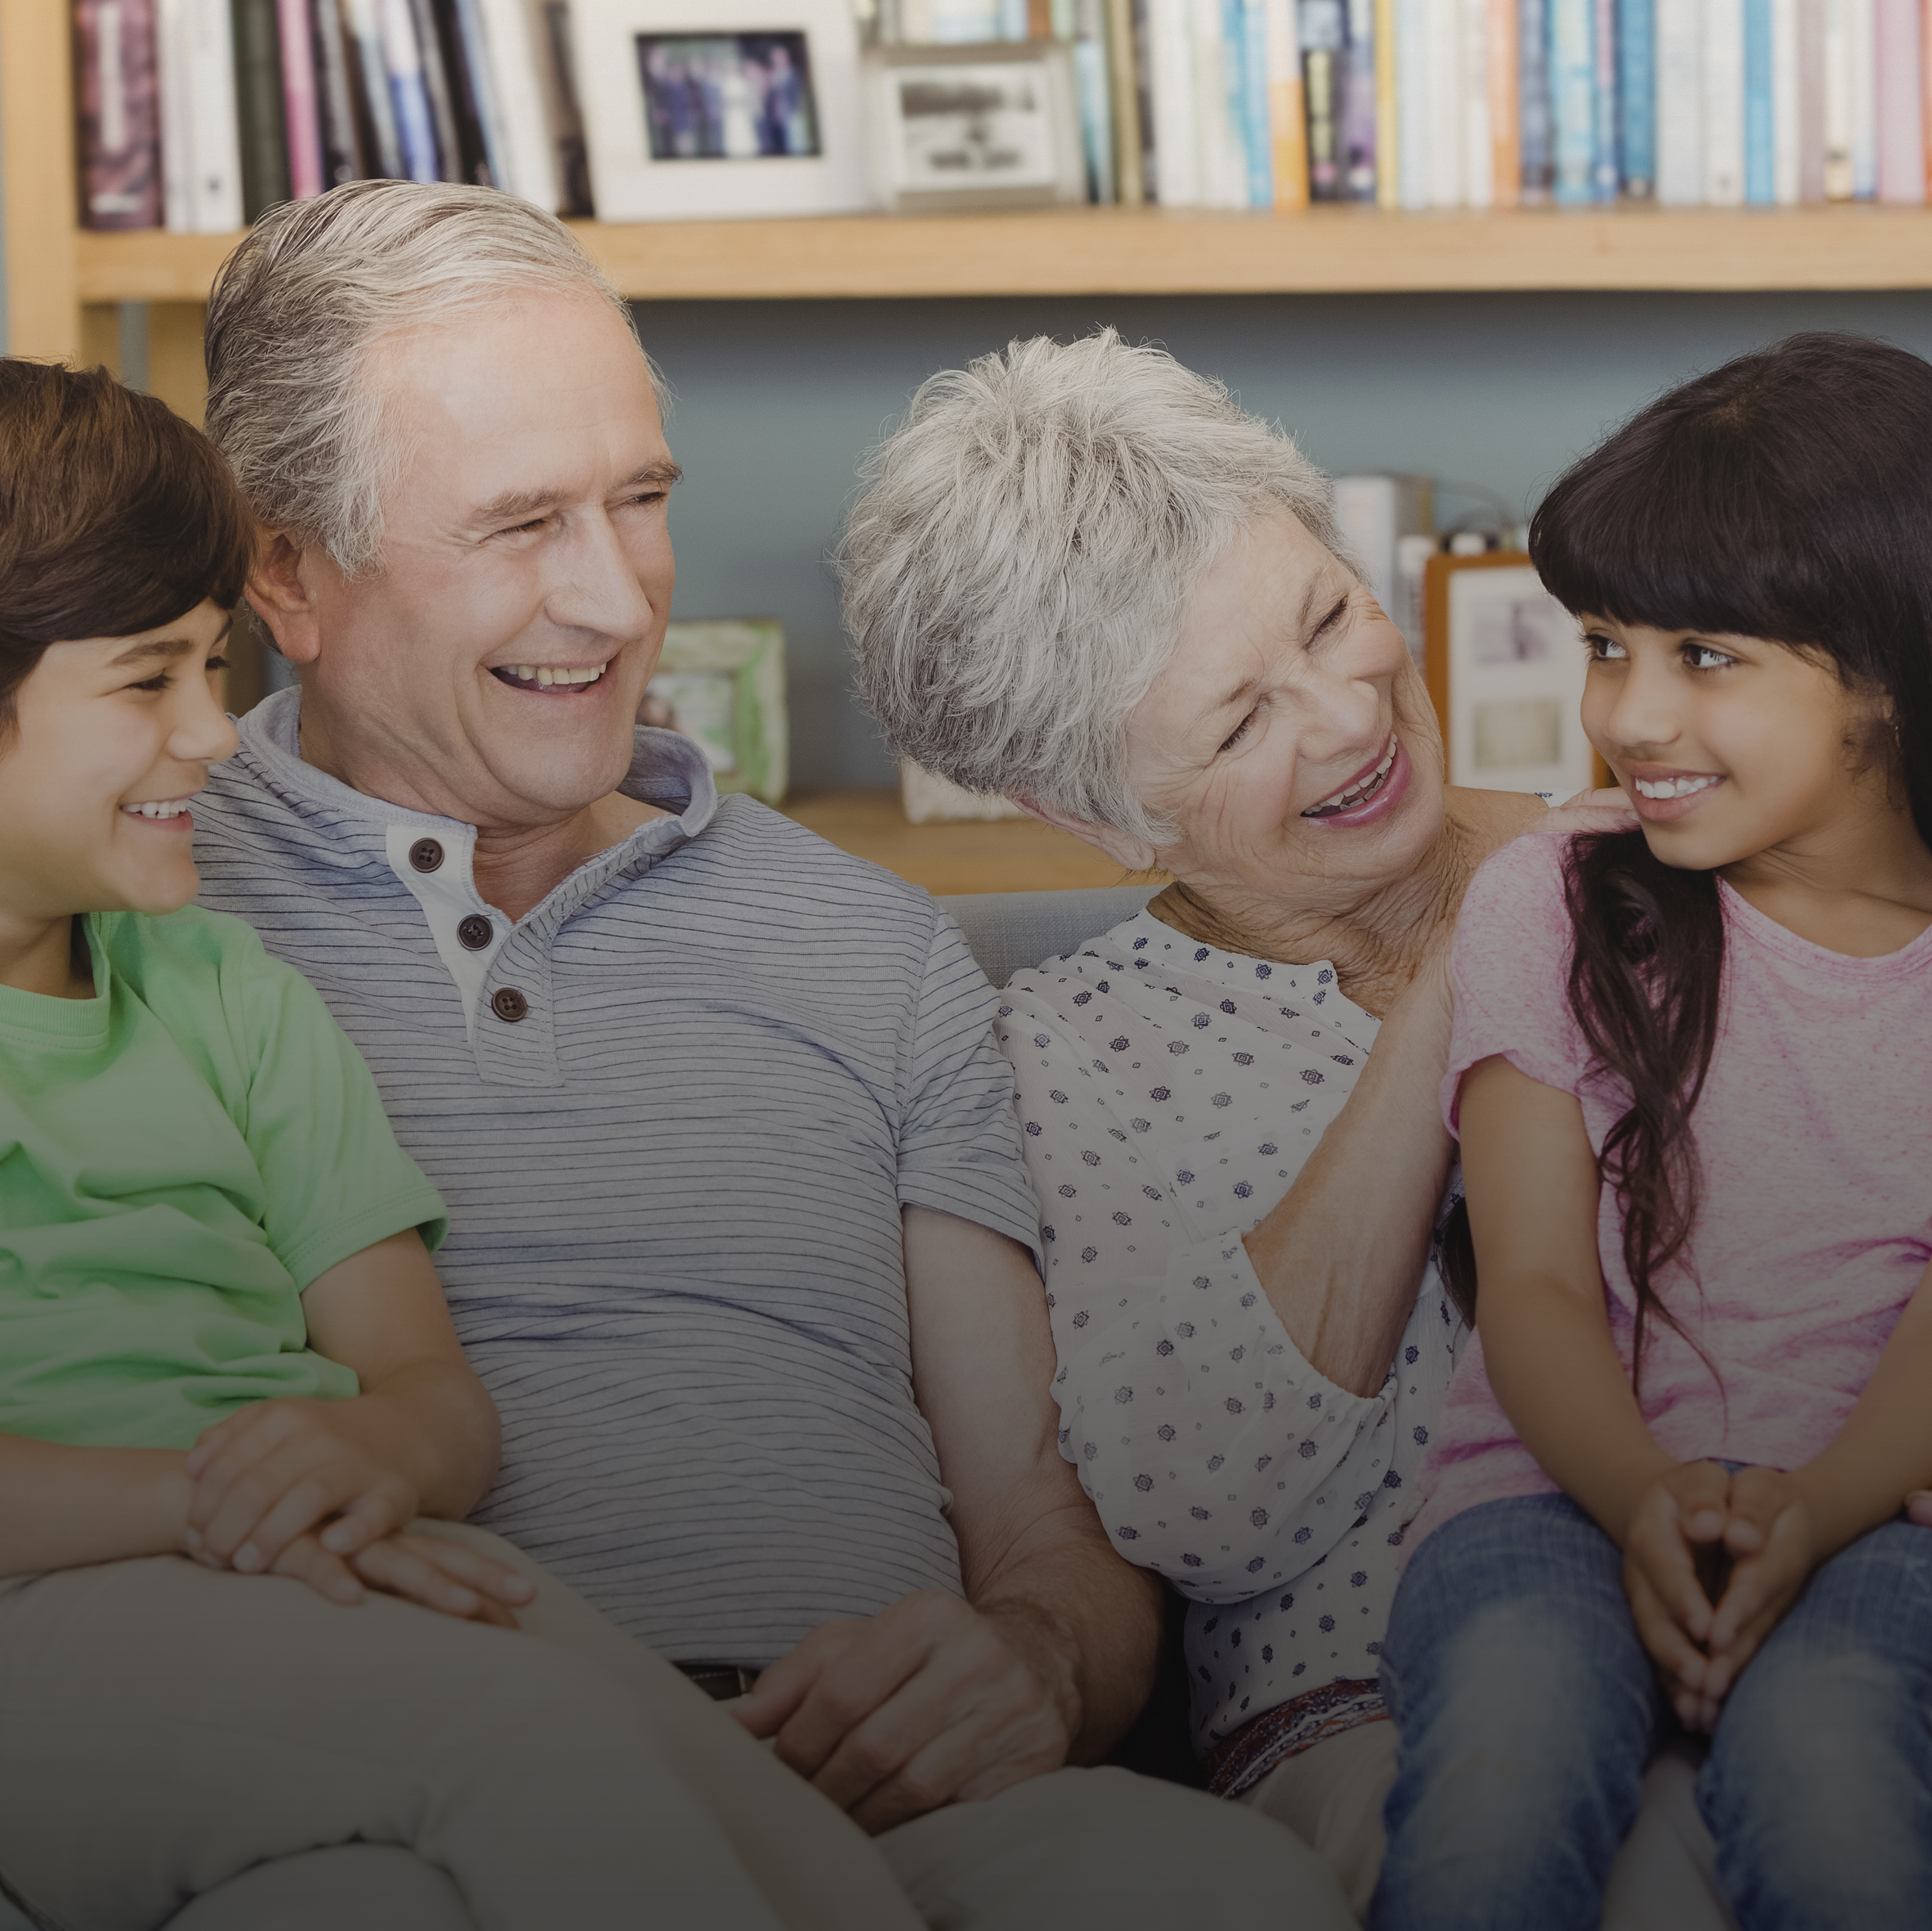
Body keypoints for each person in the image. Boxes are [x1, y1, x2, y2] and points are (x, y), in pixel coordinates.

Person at [836, 327, 1932, 1928]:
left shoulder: (1698, 850)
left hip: (1835, 1607)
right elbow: (1201, 1508)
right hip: (1376, 1704)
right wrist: (1463, 961)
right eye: (1236, 726)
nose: (1349, 717)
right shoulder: (1068, 1052)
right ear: (1092, 814)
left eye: (1328, 616)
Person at [178, 180, 1328, 1928]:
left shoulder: (870, 946)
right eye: (520, 524)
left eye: (640, 501)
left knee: (1212, 1893)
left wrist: (1028, 1659)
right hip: (413, 1815)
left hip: (881, 1814)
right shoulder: (124, 920)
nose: (614, 595)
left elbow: (1046, 1534)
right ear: (285, 570)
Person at [0, 340, 924, 1931]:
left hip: (338, 1565)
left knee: (783, 1843)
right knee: (536, 1751)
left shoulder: (226, 989)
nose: (214, 733)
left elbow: (427, 1386)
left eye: (216, 667)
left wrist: (374, 1453)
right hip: (26, 1630)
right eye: (147, 681)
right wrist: (202, 1499)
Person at [1372, 335, 1932, 1931]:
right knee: (1504, 1763)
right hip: (1546, 1501)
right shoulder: (1547, 900)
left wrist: (1811, 1509)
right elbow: (1536, 1285)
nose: (1628, 711)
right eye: (1604, 642)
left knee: (1830, 1765)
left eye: (1705, 654)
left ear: (1890, 666)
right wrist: (1644, 1496)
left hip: (1893, 1527)